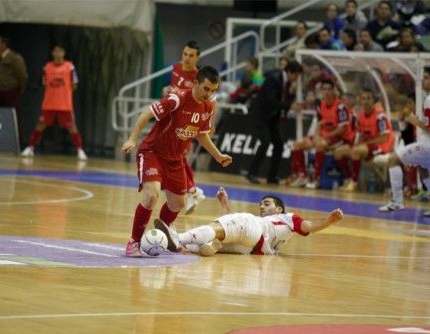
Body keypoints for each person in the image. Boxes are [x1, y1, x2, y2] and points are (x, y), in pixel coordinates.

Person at [121, 66, 233, 257]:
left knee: (178, 204)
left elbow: (202, 135)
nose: (209, 94)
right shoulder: (177, 99)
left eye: (213, 90)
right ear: (196, 84)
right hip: (152, 153)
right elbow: (146, 113)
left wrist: (218, 155)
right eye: (206, 89)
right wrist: (132, 138)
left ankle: (164, 230)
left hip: (175, 160)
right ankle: (134, 242)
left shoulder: (208, 107)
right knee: (151, 196)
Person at [158, 187, 344, 256]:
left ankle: (178, 238)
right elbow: (228, 224)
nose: (262, 206)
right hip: (248, 249)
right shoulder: (277, 229)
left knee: (220, 228)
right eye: (261, 204)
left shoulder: (290, 218)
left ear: (279, 209)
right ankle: (206, 247)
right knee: (217, 235)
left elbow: (308, 226)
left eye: (267, 203)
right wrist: (224, 204)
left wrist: (329, 220)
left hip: (253, 232)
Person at [379, 67, 430, 217]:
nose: (423, 80)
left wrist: (415, 121)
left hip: (428, 145)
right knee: (423, 172)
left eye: (427, 77)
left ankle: (397, 202)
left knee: (393, 160)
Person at [162, 41, 208, 214]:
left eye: (191, 55)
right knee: (178, 157)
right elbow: (167, 89)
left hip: (188, 122)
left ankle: (192, 190)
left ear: (198, 57)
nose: (187, 58)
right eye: (185, 54)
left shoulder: (199, 76)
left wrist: (207, 126)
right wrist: (166, 90)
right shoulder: (174, 68)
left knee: (178, 156)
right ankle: (193, 191)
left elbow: (209, 102)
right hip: (171, 120)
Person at [21, 46, 87, 160]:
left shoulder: (69, 67)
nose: (58, 54)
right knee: (41, 125)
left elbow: (74, 84)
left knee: (71, 126)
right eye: (55, 51)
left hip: (64, 104)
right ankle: (30, 147)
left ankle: (80, 150)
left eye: (60, 51)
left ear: (64, 53)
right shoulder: (47, 67)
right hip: (49, 103)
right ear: (52, 53)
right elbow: (45, 83)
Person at [290, 79, 356, 189]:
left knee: (320, 145)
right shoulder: (321, 105)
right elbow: (319, 124)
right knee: (298, 144)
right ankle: (302, 176)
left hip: (339, 138)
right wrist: (316, 136)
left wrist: (323, 137)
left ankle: (317, 179)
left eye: (329, 89)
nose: (327, 92)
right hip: (325, 136)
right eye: (324, 89)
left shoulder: (341, 107)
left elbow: (342, 129)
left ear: (334, 91)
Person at [245, 61, 303, 185]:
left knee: (279, 144)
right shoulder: (273, 79)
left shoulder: (287, 83)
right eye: (296, 75)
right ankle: (252, 173)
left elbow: (283, 99)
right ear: (290, 72)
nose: (297, 78)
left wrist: (291, 98)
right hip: (261, 115)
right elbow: (271, 100)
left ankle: (272, 176)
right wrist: (290, 106)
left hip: (272, 117)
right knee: (265, 142)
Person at [335, 88, 395, 192]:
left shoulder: (380, 116)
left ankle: (354, 183)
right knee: (338, 152)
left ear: (373, 101)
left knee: (356, 151)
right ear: (360, 101)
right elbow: (360, 135)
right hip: (367, 147)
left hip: (382, 147)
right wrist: (356, 145)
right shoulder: (360, 116)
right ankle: (349, 178)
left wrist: (362, 145)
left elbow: (384, 138)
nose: (366, 101)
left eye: (369, 98)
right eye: (363, 99)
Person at [0, 36, 28, 142]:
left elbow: (22, 75)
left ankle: (18, 141)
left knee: (13, 117)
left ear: (3, 45)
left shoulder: (14, 58)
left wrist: (20, 88)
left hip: (10, 91)